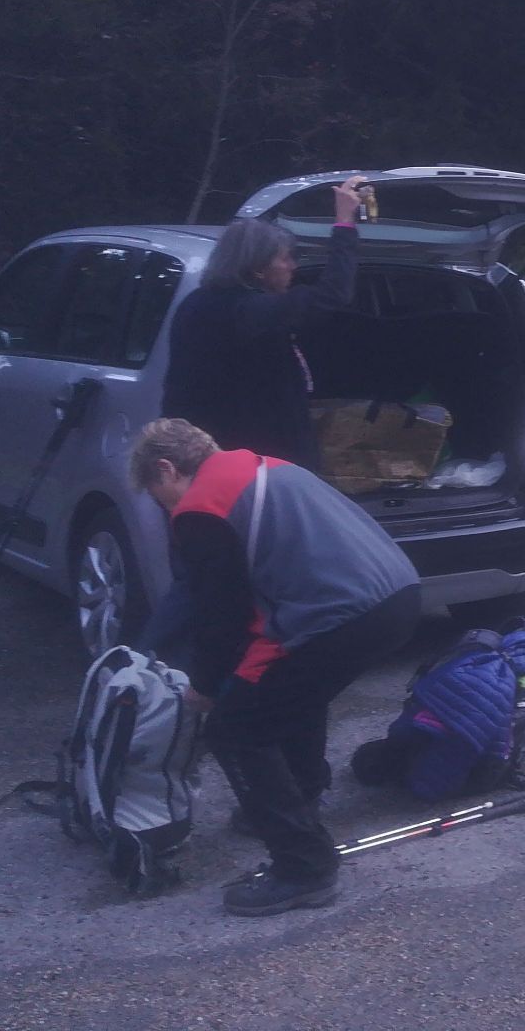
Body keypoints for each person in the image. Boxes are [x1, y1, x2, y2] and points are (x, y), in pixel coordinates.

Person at [131, 417, 421, 916]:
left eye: (161, 499)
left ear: (167, 469)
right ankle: (299, 796)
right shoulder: (267, 467)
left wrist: (205, 685)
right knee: (289, 693)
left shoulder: (202, 505)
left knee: (236, 728)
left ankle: (304, 867)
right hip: (398, 596)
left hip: (339, 612)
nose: (167, 511)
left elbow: (222, 612)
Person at [162, 176, 367, 472]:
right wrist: (344, 222)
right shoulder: (246, 310)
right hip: (248, 465)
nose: (293, 267)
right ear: (258, 268)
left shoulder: (197, 303)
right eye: (285, 259)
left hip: (210, 456)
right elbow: (333, 294)